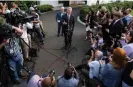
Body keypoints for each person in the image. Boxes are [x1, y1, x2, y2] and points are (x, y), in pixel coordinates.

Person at [0, 16, 24, 84]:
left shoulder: (13, 34)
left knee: (20, 65)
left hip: (18, 53)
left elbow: (21, 32)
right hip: (10, 57)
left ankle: (19, 74)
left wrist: (13, 27)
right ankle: (16, 79)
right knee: (13, 70)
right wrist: (4, 43)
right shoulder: (2, 38)